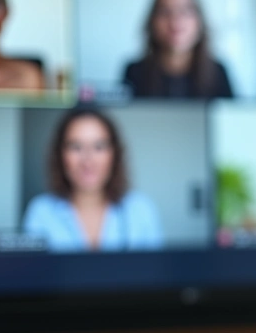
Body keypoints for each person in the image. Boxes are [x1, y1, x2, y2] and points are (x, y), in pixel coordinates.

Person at [23, 108, 164, 252]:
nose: (88, 161)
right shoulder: (41, 212)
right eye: (76, 147)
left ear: (114, 155)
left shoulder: (141, 210)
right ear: (60, 155)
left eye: (99, 147)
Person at [123, 0, 234, 99]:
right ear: (152, 22)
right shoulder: (134, 72)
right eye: (165, 12)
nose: (175, 21)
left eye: (185, 11)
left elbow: (232, 116)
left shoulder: (217, 73)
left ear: (199, 22)